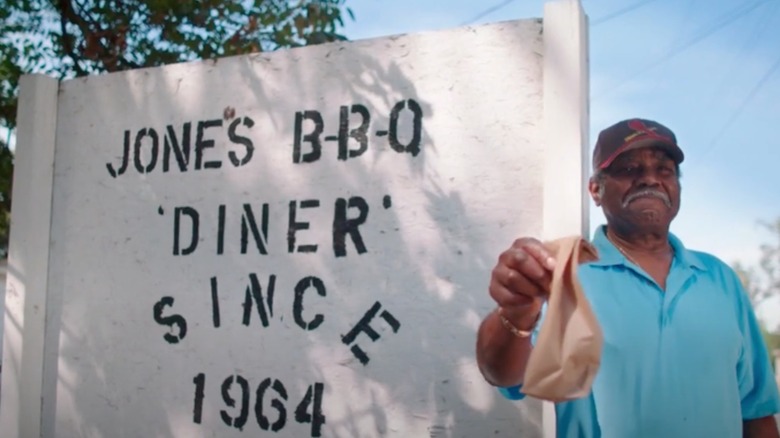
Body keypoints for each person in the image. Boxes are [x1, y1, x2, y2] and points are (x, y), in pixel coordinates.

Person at [476, 118, 780, 438]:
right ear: (596, 189)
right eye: (629, 168)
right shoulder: (565, 274)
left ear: (676, 187)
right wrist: (516, 312)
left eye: (664, 170)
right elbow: (505, 375)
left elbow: (756, 412)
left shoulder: (720, 279)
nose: (650, 178)